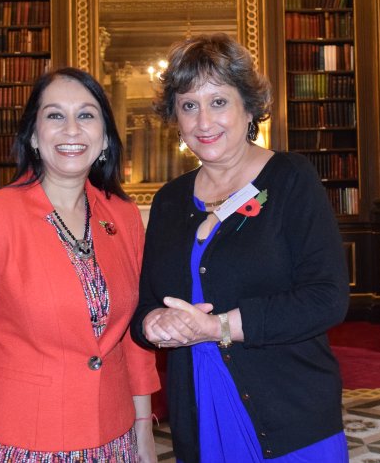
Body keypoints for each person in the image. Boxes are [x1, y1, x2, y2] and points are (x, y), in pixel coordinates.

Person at [130, 33, 350, 462]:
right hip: (198, 410)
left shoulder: (290, 180)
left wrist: (220, 328)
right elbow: (146, 305)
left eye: (218, 102)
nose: (203, 121)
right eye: (189, 105)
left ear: (248, 107)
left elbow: (327, 299)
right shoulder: (170, 201)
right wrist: (154, 322)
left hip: (291, 410)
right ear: (175, 116)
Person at [0, 67, 160, 462]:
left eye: (86, 115)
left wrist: (143, 431)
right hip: (18, 443)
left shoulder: (123, 217)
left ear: (105, 138)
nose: (71, 129)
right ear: (34, 136)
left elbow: (132, 341)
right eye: (55, 115)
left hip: (113, 435)